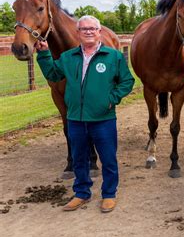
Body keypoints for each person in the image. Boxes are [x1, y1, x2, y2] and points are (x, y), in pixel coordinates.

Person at [35, 15, 135, 212]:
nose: (88, 31)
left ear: (99, 32)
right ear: (78, 33)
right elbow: (53, 75)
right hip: (75, 119)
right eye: (84, 29)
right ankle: (81, 193)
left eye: (92, 28)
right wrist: (44, 55)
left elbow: (127, 81)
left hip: (103, 119)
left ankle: (109, 194)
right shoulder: (67, 57)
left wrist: (111, 99)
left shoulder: (113, 56)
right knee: (79, 158)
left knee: (108, 158)